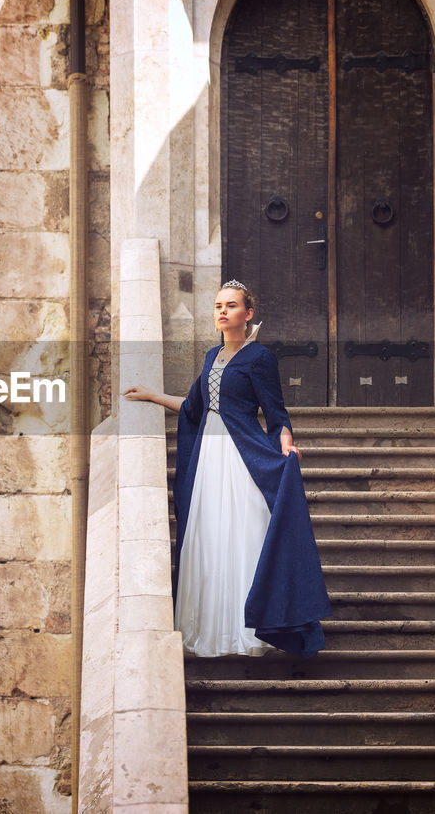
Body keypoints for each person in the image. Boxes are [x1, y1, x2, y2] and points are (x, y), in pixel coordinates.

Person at [122, 280, 332, 657]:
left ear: (247, 314)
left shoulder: (260, 358)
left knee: (243, 533)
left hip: (242, 454)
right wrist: (152, 396)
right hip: (208, 458)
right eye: (218, 305)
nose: (222, 311)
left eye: (231, 305)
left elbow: (275, 411)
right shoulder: (210, 356)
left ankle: (249, 627)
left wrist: (285, 443)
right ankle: (208, 629)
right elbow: (194, 406)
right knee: (210, 534)